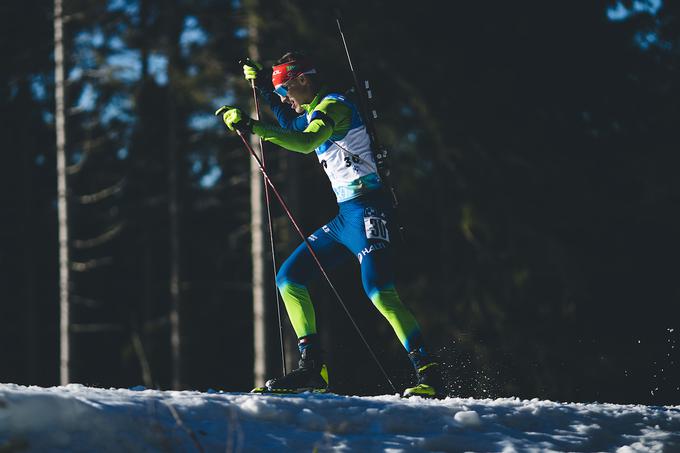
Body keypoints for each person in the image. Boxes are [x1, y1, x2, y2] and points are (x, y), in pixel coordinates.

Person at [216, 51, 444, 398]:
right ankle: (312, 370)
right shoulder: (311, 108)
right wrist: (265, 85)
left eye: (287, 91)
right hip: (344, 217)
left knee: (380, 292)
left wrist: (251, 126)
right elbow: (290, 124)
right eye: (282, 94)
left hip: (369, 211)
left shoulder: (334, 107)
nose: (285, 100)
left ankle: (428, 372)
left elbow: (305, 142)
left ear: (304, 81)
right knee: (289, 279)